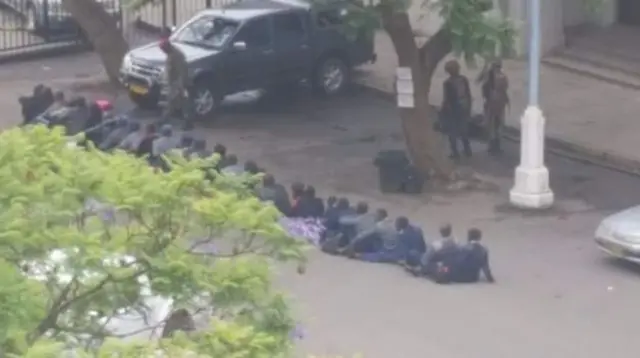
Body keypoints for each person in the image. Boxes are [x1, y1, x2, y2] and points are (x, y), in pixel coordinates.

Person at [441, 60, 473, 159]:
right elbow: (468, 94)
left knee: (452, 131)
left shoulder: (447, 83)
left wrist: (443, 110)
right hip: (464, 106)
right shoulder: (464, 79)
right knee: (464, 129)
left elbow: (447, 99)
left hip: (454, 108)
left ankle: (455, 153)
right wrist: (469, 107)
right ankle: (467, 150)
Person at [479, 59, 509, 155]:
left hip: (491, 102)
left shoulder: (489, 76)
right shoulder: (503, 76)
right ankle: (496, 144)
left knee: (491, 123)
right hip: (500, 102)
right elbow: (505, 89)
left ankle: (492, 145)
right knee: (498, 123)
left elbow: (482, 86)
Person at [160, 36, 191, 121]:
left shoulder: (176, 55)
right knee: (178, 102)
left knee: (174, 101)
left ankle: (165, 119)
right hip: (174, 82)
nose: (163, 52)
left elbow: (181, 71)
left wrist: (181, 85)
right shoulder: (171, 54)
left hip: (177, 83)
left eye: (163, 49)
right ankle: (186, 120)